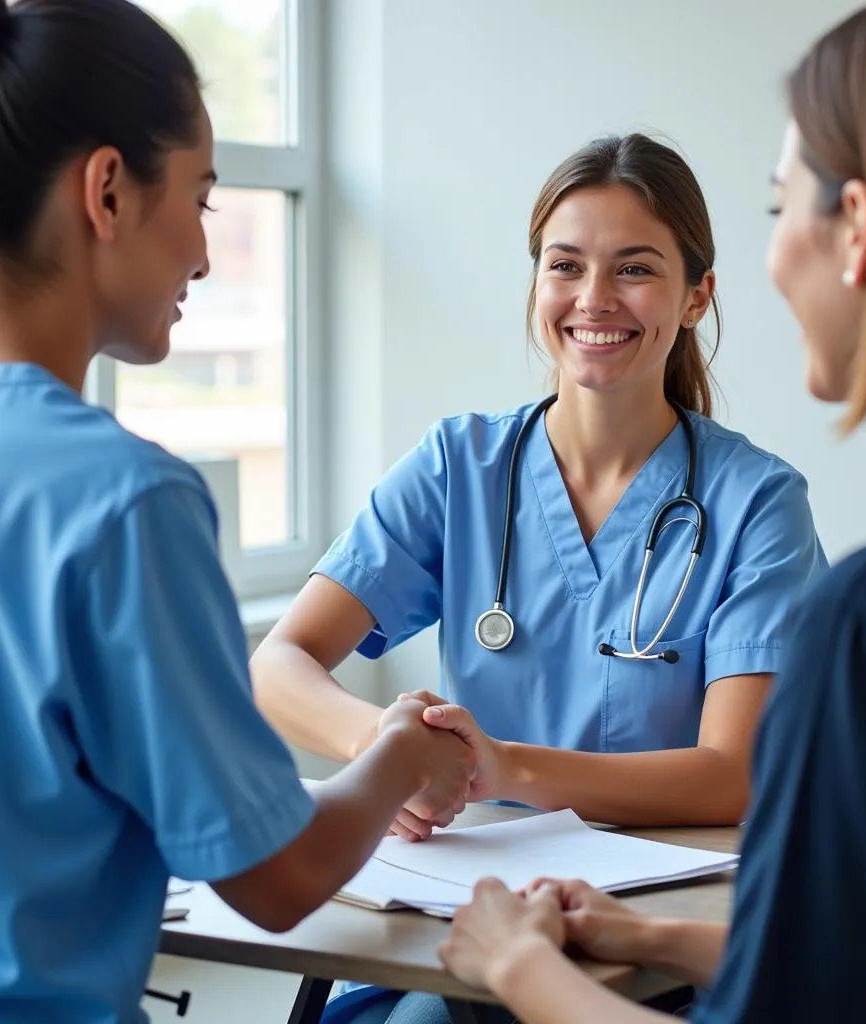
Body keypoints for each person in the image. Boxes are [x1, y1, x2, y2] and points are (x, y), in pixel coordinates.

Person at [436, 0, 866, 1021]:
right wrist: (643, 934)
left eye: (784, 210)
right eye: (564, 263)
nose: (778, 254)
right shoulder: (459, 460)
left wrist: (521, 966)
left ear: (857, 231)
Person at [0, 1, 476, 1020]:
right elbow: (278, 878)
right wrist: (398, 755)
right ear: (107, 191)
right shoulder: (120, 501)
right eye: (201, 198)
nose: (205, 253)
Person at [251, 133, 826, 1022]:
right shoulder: (459, 466)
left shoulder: (757, 503)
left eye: (635, 269)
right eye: (566, 266)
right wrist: (387, 750)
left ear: (697, 294)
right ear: (536, 284)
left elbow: (735, 773)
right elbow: (280, 663)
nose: (594, 300)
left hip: (654, 940)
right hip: (464, 912)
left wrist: (501, 766)